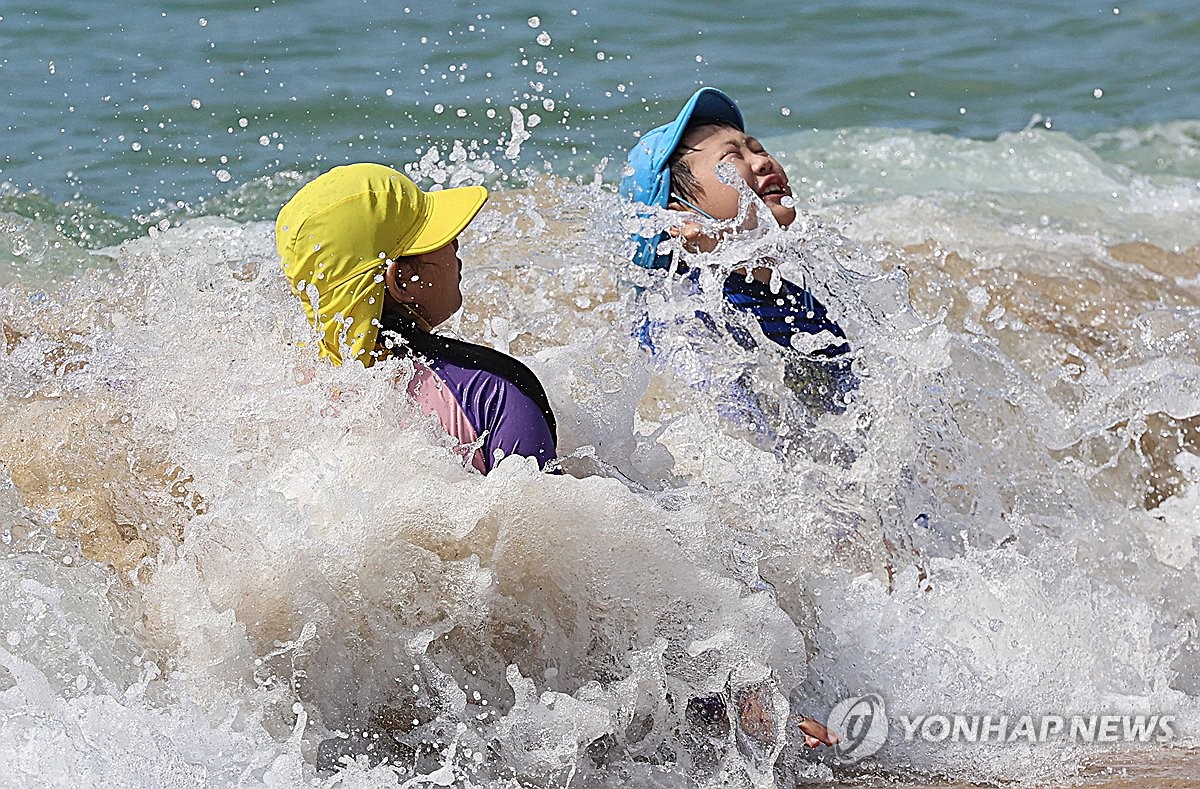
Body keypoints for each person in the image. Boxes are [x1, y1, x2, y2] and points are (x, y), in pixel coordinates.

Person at [276, 162, 557, 474]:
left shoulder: (287, 397)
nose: (454, 244)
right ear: (402, 281)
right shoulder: (491, 395)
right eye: (436, 239)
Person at [620, 88, 853, 411]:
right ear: (681, 218)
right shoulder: (684, 317)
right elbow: (732, 430)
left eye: (758, 148)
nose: (762, 161)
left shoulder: (792, 298)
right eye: (733, 158)